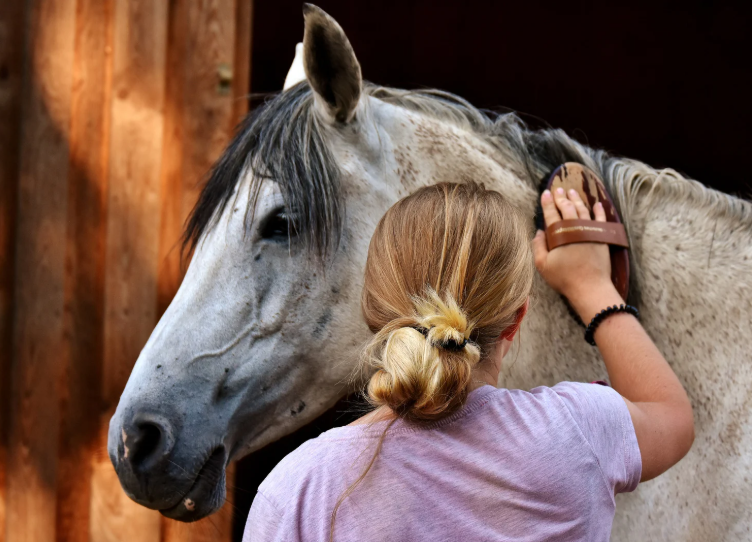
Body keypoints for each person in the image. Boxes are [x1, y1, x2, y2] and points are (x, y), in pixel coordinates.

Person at [243, 182, 694, 542]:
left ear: (373, 314)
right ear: (516, 319)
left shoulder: (298, 492)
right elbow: (671, 417)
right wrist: (591, 286)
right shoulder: (578, 430)